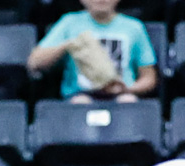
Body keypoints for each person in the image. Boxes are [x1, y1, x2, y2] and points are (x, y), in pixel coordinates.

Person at [28, 0, 158, 104]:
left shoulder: (134, 27)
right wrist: (67, 45)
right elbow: (34, 62)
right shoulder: (69, 23)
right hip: (80, 95)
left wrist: (128, 89)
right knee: (81, 103)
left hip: (121, 95)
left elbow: (149, 77)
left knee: (128, 101)